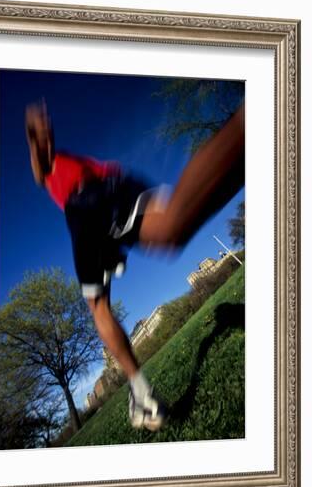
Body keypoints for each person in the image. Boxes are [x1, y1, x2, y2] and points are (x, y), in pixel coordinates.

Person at [25, 99, 245, 432]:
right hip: (119, 184)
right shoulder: (67, 162)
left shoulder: (54, 169)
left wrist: (34, 137)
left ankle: (140, 392)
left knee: (97, 306)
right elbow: (44, 161)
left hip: (89, 204)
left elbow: (40, 167)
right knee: (174, 227)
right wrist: (39, 137)